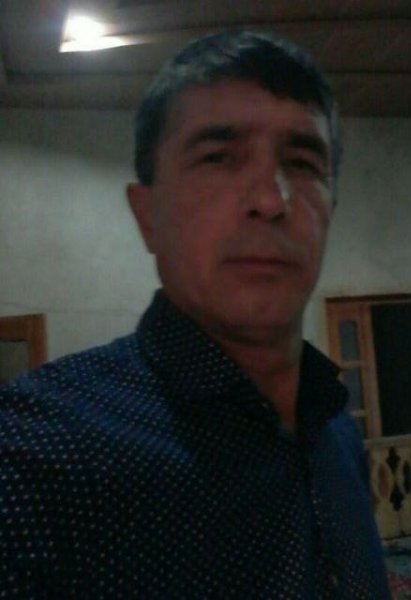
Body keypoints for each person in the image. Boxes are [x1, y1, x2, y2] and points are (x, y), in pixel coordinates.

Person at [0, 30, 391, 598]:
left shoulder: (335, 430)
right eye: (217, 158)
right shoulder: (36, 458)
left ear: (331, 207)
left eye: (303, 162)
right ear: (147, 216)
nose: (271, 200)